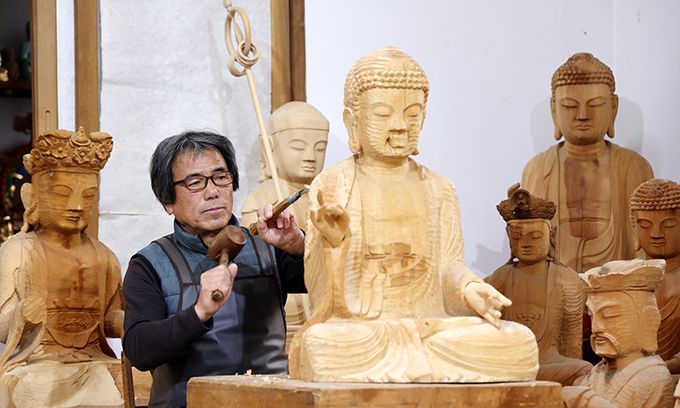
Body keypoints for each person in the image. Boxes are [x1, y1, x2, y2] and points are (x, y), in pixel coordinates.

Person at [288, 47, 538, 383]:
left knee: (517, 340)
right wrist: (335, 245)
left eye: (413, 114)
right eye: (382, 114)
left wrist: (469, 288)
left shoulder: (439, 189)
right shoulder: (334, 185)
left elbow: (449, 267)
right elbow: (322, 296)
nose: (400, 126)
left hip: (430, 326)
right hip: (365, 331)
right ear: (352, 121)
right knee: (324, 343)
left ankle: (417, 364)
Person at [122, 131, 306, 407]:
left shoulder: (269, 245)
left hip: (271, 399)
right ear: (168, 201)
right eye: (195, 182)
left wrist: (299, 246)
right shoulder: (149, 264)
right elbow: (139, 350)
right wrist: (199, 312)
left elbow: (341, 287)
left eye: (221, 177)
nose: (213, 192)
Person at [0, 128, 124, 407]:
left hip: (95, 361)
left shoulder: (105, 256)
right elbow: (2, 327)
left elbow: (108, 319)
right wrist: (22, 314)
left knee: (140, 380)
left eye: (88, 196)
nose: (77, 206)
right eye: (61, 194)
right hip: (38, 363)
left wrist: (127, 323)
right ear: (32, 197)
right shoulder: (18, 251)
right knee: (36, 387)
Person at [522, 52, 653, 274]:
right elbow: (526, 247)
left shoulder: (634, 168)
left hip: (619, 286)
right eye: (569, 106)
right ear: (554, 110)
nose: (582, 115)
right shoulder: (538, 169)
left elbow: (647, 250)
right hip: (553, 285)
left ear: (613, 108)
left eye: (595, 105)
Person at [486, 184, 592, 385]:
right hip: (509, 365)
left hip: (549, 362)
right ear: (509, 238)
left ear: (551, 236)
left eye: (535, 236)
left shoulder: (566, 278)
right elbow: (488, 332)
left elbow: (571, 341)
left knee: (583, 369)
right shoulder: (501, 277)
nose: (525, 243)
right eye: (517, 237)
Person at [562, 259, 674, 408]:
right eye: (592, 316)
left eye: (610, 316)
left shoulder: (654, 377)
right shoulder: (597, 373)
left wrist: (586, 400)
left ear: (647, 320)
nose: (595, 328)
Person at [240, 101, 329, 226]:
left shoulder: (328, 197)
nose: (310, 157)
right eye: (298, 147)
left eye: (320, 148)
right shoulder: (261, 199)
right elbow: (252, 237)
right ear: (270, 147)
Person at [630, 178, 680, 373]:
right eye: (645, 225)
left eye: (668, 224)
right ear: (634, 227)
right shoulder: (624, 276)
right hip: (632, 374)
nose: (656, 234)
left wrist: (667, 366)